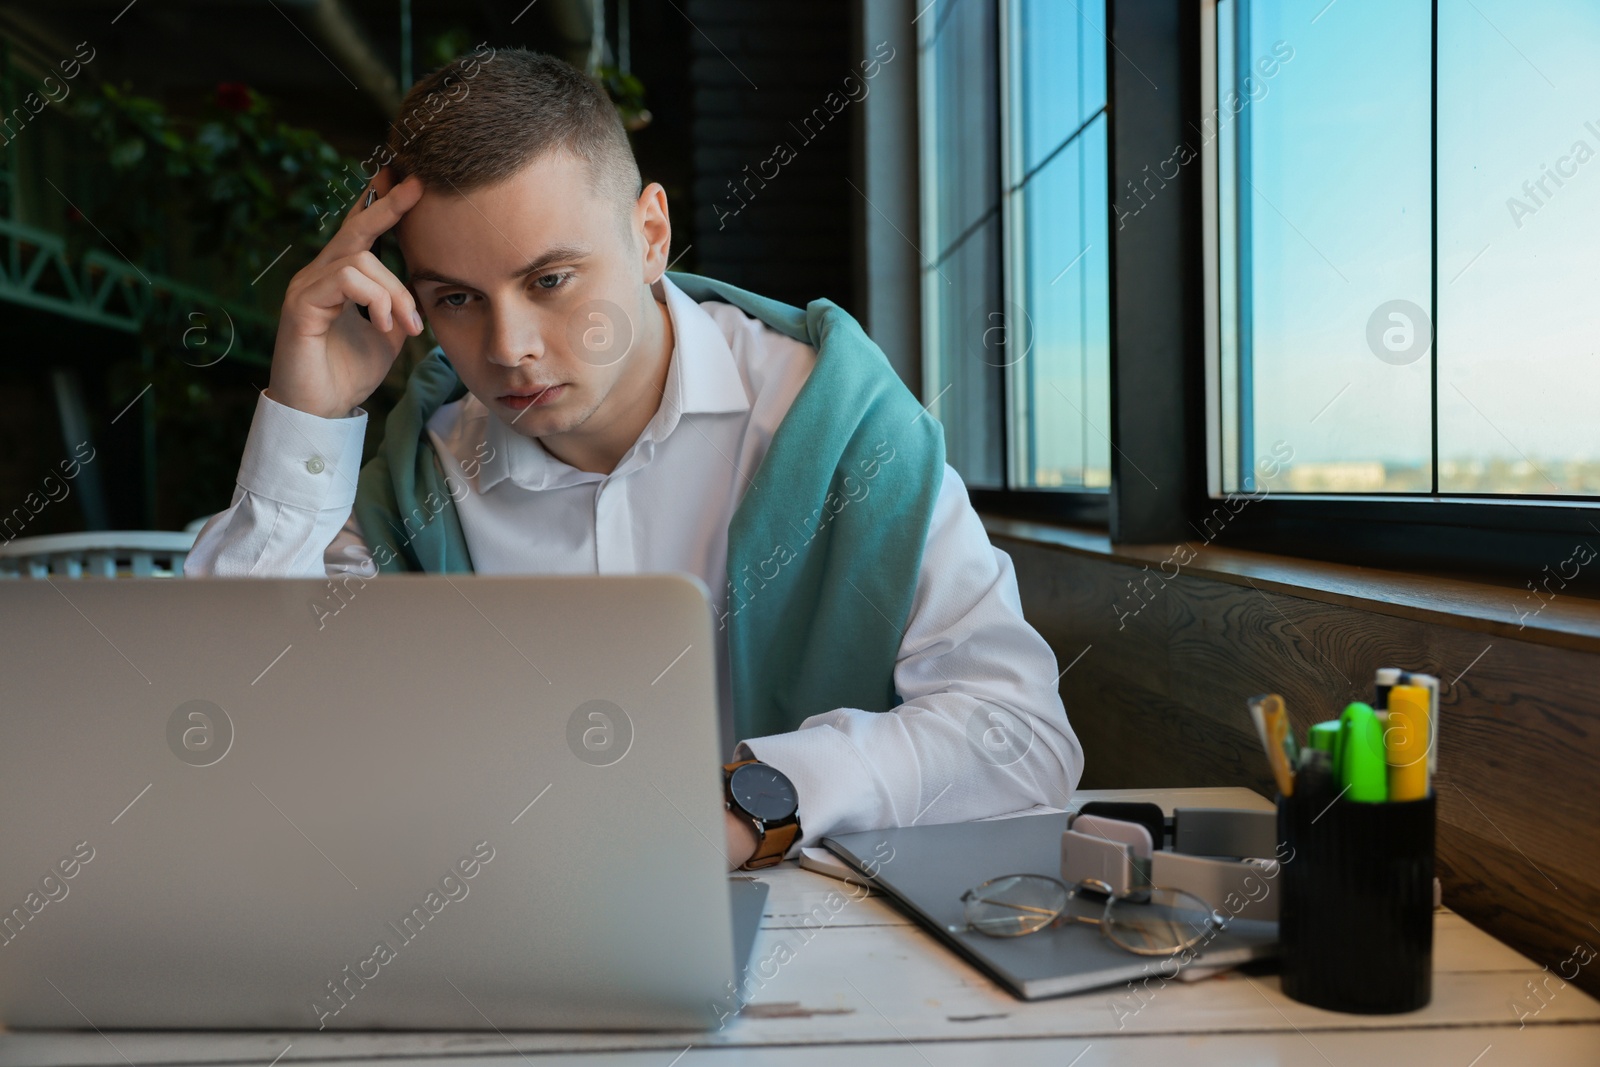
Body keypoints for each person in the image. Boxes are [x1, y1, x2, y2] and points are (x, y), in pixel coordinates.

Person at [185, 47, 1082, 870]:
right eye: (456, 298)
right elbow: (220, 736)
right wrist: (308, 414)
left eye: (549, 281)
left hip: (827, 956)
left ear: (651, 235)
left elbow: (1020, 734)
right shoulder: (419, 479)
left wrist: (751, 804)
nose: (510, 348)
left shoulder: (841, 427)